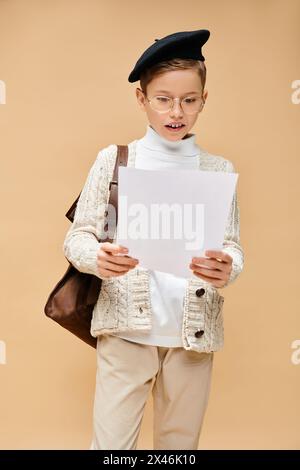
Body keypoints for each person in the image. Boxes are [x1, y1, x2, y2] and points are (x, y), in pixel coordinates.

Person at [63, 29, 244, 450]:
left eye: (189, 100)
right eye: (163, 99)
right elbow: (79, 238)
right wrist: (97, 257)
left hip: (192, 336)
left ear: (203, 99)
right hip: (126, 332)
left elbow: (232, 244)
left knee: (179, 449)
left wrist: (228, 266)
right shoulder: (115, 160)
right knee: (112, 449)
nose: (176, 111)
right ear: (141, 99)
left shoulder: (217, 170)